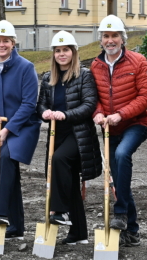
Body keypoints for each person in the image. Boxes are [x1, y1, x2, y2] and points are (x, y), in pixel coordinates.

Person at [90, 14, 147, 247]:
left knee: (121, 155)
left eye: (114, 35)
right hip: (109, 129)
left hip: (135, 124)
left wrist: (121, 114)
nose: (110, 40)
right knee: (119, 179)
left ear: (122, 38)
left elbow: (146, 96)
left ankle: (119, 213)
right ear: (101, 39)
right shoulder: (95, 65)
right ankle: (132, 231)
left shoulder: (138, 61)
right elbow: (93, 97)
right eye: (106, 36)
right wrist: (97, 112)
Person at [36, 31, 102, 245]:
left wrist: (65, 114)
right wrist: (45, 112)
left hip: (79, 133)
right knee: (70, 181)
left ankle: (60, 211)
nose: (62, 54)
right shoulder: (48, 78)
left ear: (73, 53)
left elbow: (89, 105)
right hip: (58, 133)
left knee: (59, 160)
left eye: (66, 50)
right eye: (58, 50)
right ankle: (78, 233)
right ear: (53, 54)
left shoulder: (84, 75)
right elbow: (41, 104)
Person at [0, 20, 41, 240]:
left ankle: (2, 213)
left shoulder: (26, 67)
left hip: (22, 127)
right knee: (8, 172)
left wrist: (9, 128)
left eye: (6, 40)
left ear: (13, 43)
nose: (2, 44)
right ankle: (16, 227)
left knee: (5, 161)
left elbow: (28, 103)